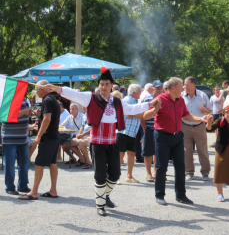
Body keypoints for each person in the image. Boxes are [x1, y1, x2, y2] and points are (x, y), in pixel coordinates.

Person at [43, 67, 161, 216]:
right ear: (98, 85)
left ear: (111, 85)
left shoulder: (117, 101)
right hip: (97, 143)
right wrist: (58, 89)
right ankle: (100, 205)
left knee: (115, 174)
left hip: (112, 142)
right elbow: (74, 94)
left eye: (106, 84)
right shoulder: (90, 98)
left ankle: (104, 196)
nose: (104, 87)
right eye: (101, 84)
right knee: (100, 174)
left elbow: (132, 108)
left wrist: (150, 105)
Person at [143, 77, 209, 206]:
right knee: (161, 167)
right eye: (181, 88)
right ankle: (160, 195)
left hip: (178, 136)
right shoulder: (160, 99)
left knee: (180, 167)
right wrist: (154, 109)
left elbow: (187, 116)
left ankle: (181, 195)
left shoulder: (181, 100)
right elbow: (145, 116)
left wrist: (202, 119)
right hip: (162, 137)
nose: (183, 89)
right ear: (173, 89)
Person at [19, 80, 60, 200]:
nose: (36, 92)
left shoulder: (47, 100)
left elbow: (47, 119)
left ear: (42, 89)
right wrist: (40, 113)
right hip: (54, 136)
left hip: (48, 137)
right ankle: (53, 190)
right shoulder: (53, 99)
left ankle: (33, 192)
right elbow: (47, 117)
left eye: (36, 89)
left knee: (38, 164)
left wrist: (39, 136)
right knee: (52, 164)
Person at [182, 77, 212, 181]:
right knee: (187, 151)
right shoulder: (181, 95)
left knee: (202, 150)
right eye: (184, 84)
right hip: (185, 126)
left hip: (199, 127)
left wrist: (205, 110)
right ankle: (189, 172)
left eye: (187, 84)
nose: (184, 86)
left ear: (194, 85)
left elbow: (210, 110)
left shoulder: (202, 95)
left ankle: (205, 172)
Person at [2, 98, 32, 195]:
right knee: (10, 164)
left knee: (24, 163)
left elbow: (27, 113)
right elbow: (5, 116)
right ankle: (10, 187)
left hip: (23, 138)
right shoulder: (6, 98)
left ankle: (23, 186)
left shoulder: (25, 100)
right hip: (9, 138)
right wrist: (24, 112)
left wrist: (33, 113)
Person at [117, 84, 143, 184]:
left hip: (132, 132)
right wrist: (138, 114)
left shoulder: (136, 101)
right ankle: (116, 177)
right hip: (123, 131)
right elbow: (128, 114)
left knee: (131, 154)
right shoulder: (126, 100)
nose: (141, 93)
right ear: (134, 92)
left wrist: (135, 114)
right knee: (120, 154)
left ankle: (129, 176)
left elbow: (142, 115)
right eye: (140, 91)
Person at [141, 80, 164, 182]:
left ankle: (155, 173)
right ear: (153, 89)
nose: (159, 90)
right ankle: (148, 173)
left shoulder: (164, 98)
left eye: (161, 87)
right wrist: (144, 126)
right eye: (157, 88)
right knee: (148, 152)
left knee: (158, 152)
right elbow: (141, 113)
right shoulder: (147, 99)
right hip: (149, 128)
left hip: (160, 129)